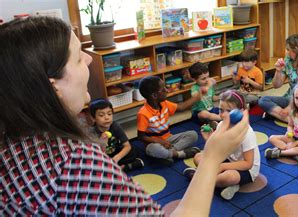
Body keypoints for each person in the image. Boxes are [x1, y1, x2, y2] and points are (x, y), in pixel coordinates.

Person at [0, 16, 251, 216]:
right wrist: (212, 157)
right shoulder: (77, 164)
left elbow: (184, 107)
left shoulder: (12, 142)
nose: (88, 60)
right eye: (77, 57)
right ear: (52, 85)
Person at [183, 90, 260, 200]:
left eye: (228, 111)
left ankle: (201, 179)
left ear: (241, 112)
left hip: (245, 169)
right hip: (227, 160)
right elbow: (217, 151)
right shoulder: (221, 125)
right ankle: (218, 182)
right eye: (220, 110)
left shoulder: (246, 133)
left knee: (230, 177)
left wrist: (222, 166)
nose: (223, 114)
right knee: (198, 157)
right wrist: (209, 140)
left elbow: (248, 164)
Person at [137, 76, 201, 163]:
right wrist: (158, 141)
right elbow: (141, 137)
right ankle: (179, 154)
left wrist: (196, 98)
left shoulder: (164, 104)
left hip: (169, 140)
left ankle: (168, 154)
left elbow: (182, 107)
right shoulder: (143, 113)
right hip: (154, 144)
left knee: (193, 135)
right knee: (152, 149)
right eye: (163, 89)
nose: (166, 90)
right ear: (154, 95)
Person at [89, 98, 144, 171]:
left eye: (109, 114)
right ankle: (125, 167)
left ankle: (119, 168)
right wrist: (102, 142)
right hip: (105, 156)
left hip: (118, 154)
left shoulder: (115, 126)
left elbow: (127, 146)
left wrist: (116, 158)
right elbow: (97, 154)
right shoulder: (92, 132)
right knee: (95, 164)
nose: (106, 117)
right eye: (101, 115)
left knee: (133, 150)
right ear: (93, 118)